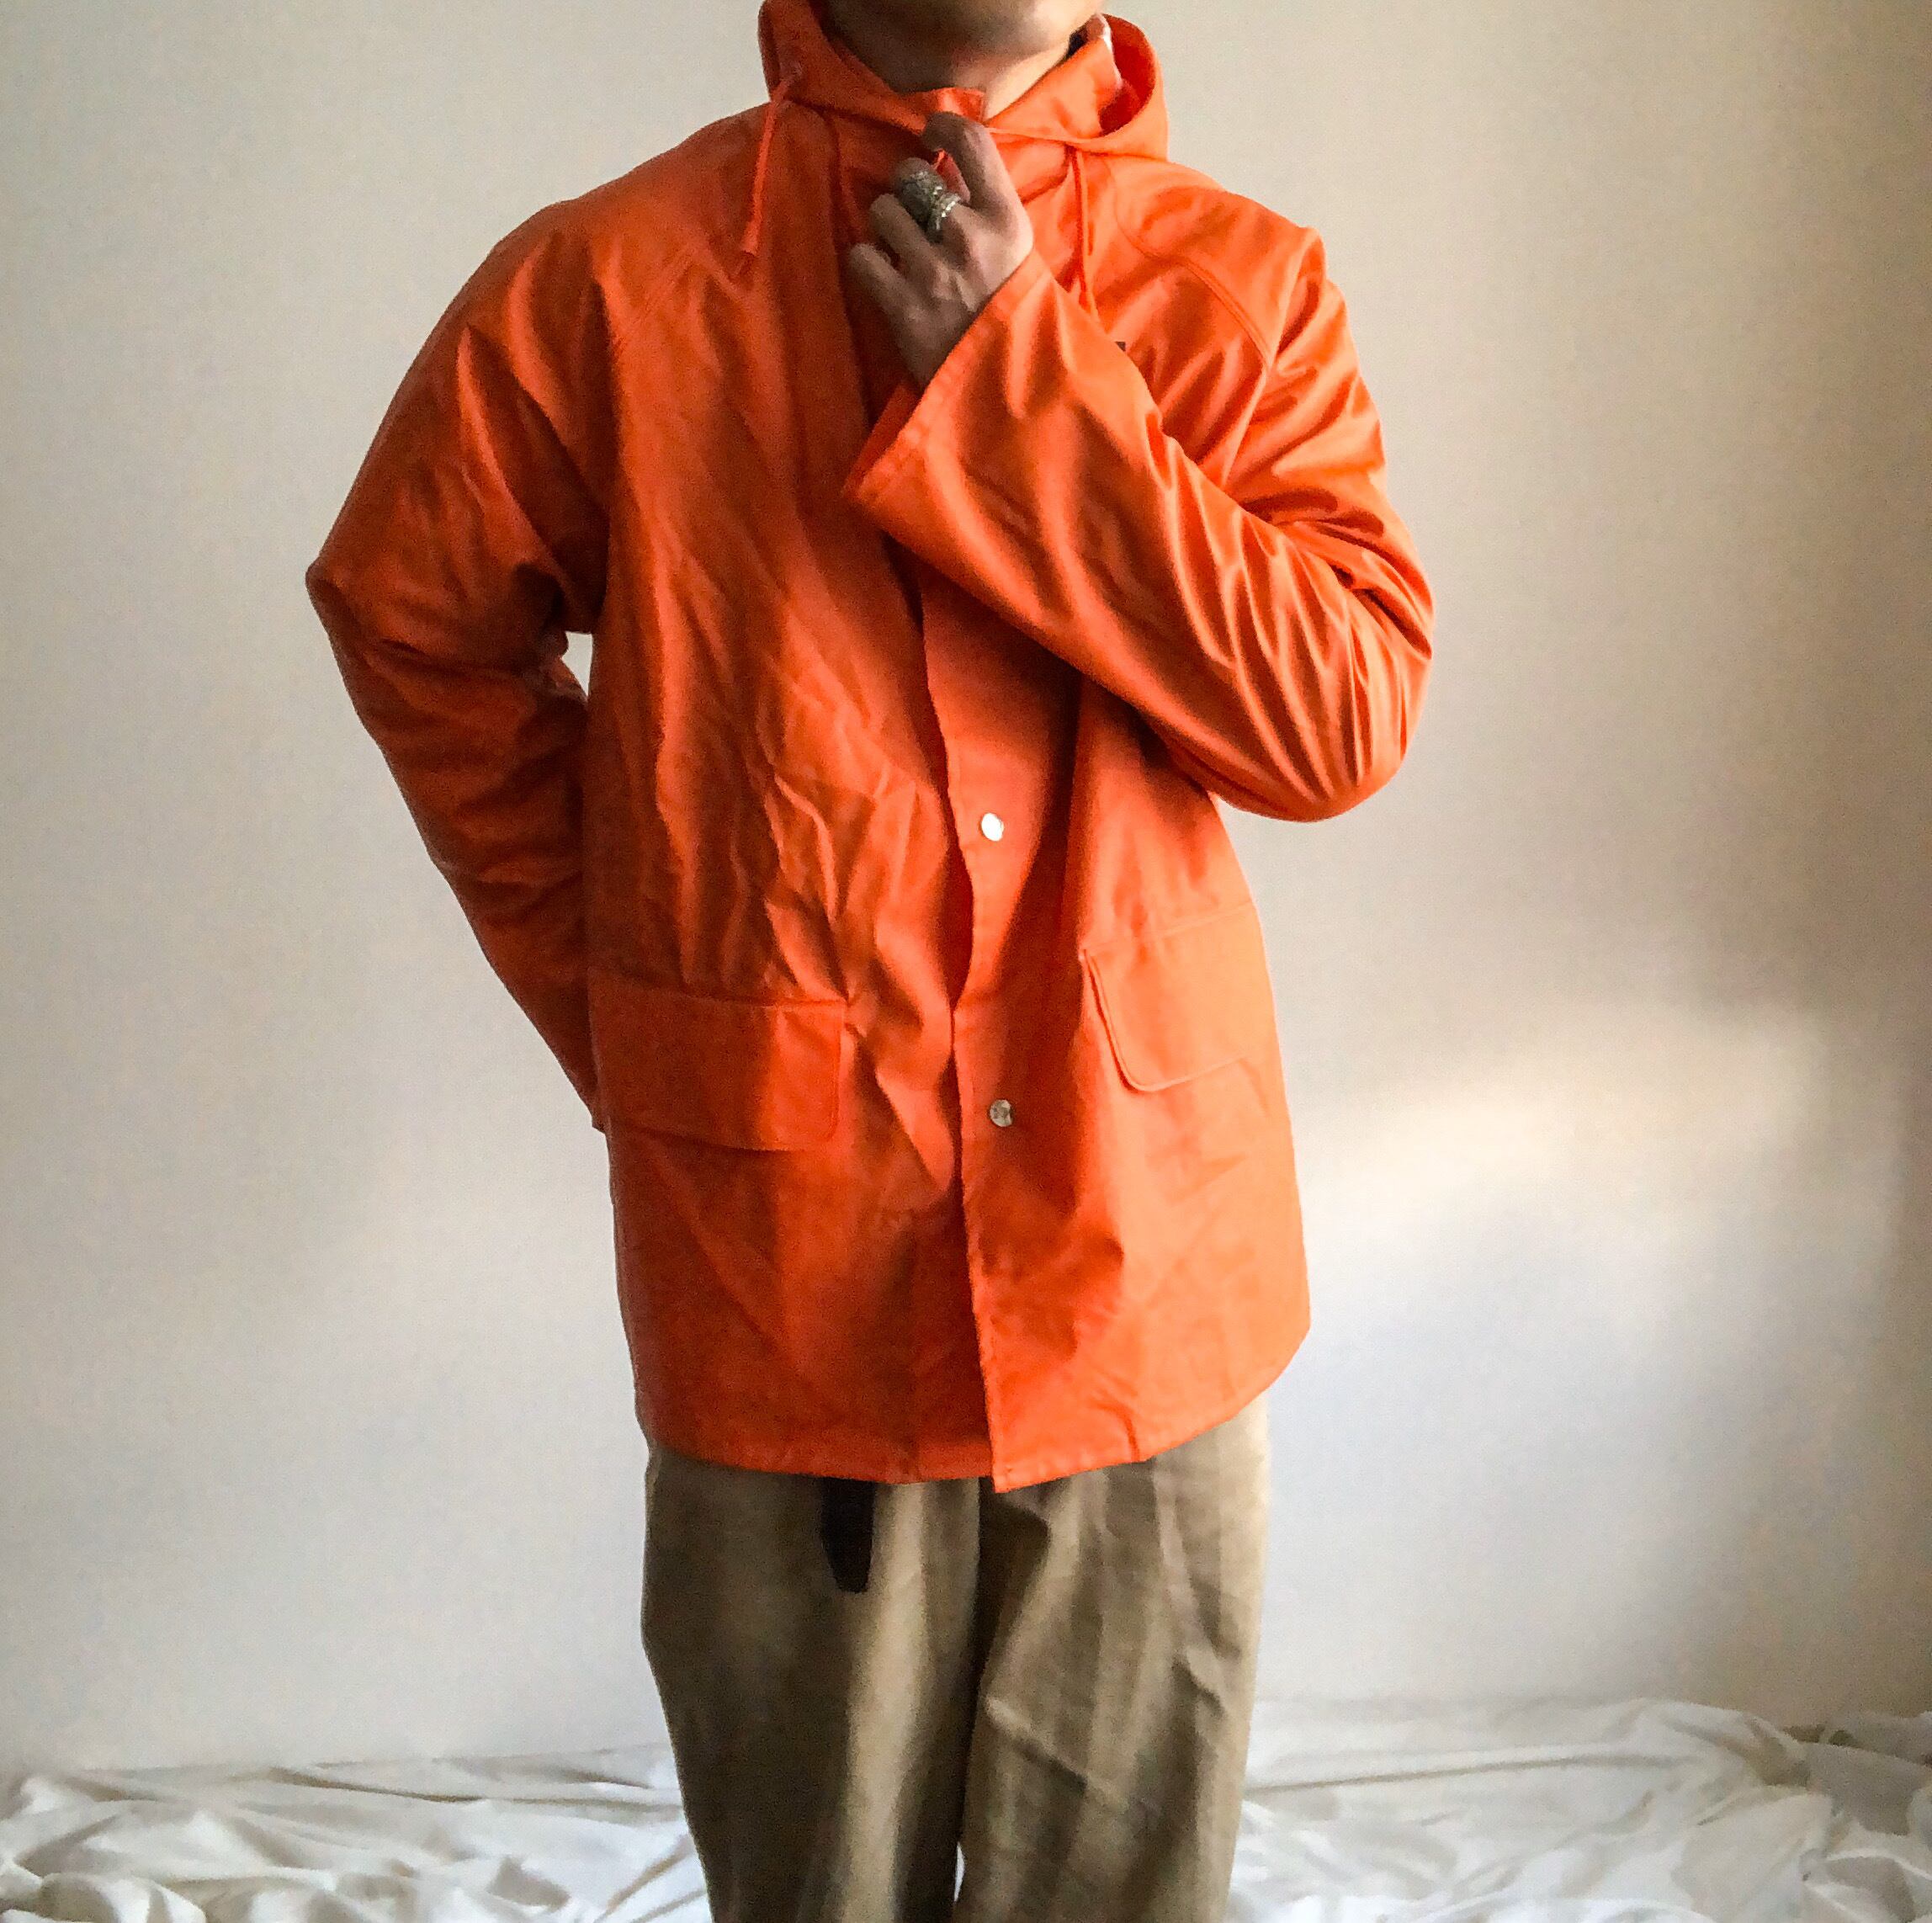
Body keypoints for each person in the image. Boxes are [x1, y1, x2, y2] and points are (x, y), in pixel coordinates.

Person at [304, 0, 1435, 1915]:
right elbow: (411, 614)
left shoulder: (1240, 284)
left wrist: (1017, 383)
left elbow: (1334, 718)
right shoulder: (606, 285)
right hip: (792, 1276)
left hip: (1145, 1259)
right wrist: (636, 998)